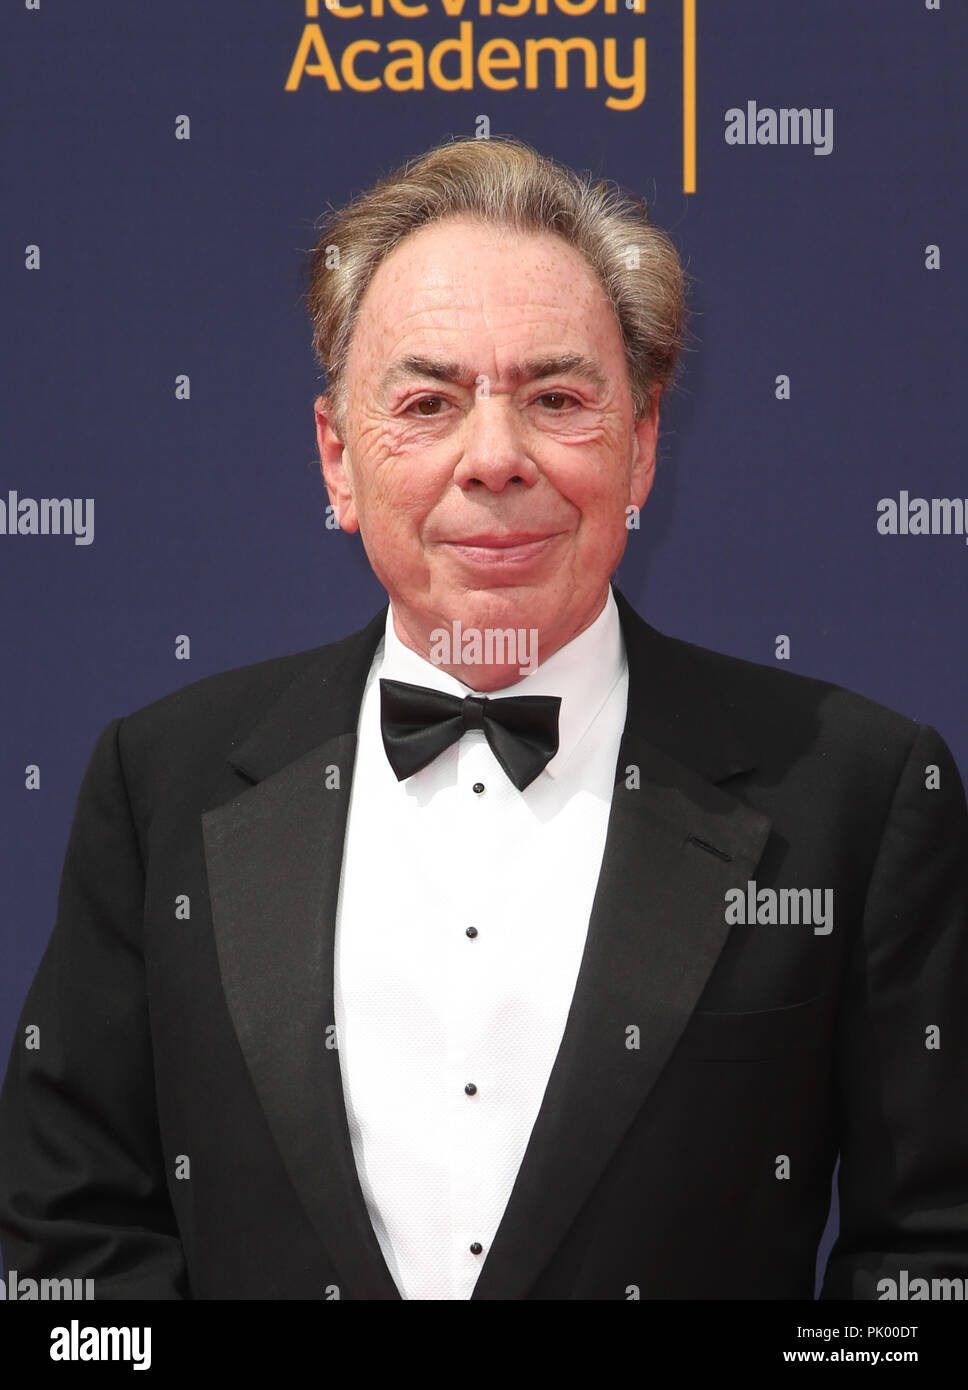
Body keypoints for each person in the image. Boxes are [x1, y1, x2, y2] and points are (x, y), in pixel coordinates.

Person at [1, 136, 966, 1301]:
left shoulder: (856, 795)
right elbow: (69, 1238)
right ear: (338, 460)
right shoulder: (160, 783)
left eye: (556, 398)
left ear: (643, 442)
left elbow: (930, 1253)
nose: (493, 458)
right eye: (427, 401)